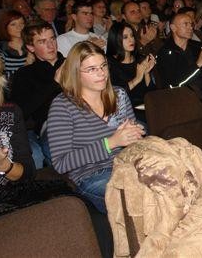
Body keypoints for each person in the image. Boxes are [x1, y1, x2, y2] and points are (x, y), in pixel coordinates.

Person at [0, 43, 67, 225]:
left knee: (68, 208)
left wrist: (3, 165)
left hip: (12, 196)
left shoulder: (8, 113)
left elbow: (27, 173)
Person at [47, 41, 145, 213]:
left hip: (128, 163)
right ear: (76, 73)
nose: (102, 74)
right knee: (142, 192)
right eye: (92, 69)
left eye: (103, 66)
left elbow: (133, 142)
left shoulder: (118, 95)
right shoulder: (63, 105)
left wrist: (135, 134)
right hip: (93, 175)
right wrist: (111, 143)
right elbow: (61, 163)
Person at [10, 22, 64, 169]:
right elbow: (21, 111)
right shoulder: (25, 74)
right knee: (63, 160)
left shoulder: (72, 64)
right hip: (53, 125)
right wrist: (54, 83)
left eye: (52, 39)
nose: (50, 45)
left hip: (86, 119)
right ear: (30, 47)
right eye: (42, 41)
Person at [155, 12, 202, 112]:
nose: (190, 28)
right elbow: (174, 84)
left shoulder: (198, 47)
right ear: (173, 27)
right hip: (181, 104)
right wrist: (199, 63)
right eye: (185, 24)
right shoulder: (165, 53)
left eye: (191, 24)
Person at [105, 22, 155, 109]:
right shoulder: (109, 63)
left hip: (148, 108)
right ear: (115, 39)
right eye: (125, 37)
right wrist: (136, 79)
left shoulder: (140, 59)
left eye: (132, 36)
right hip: (126, 111)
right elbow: (114, 96)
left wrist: (147, 73)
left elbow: (152, 93)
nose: (131, 40)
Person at [0, 10, 28, 82]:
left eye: (22, 23)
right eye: (13, 24)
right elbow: (0, 78)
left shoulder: (31, 45)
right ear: (5, 27)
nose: (19, 27)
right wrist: (25, 66)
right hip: (10, 91)